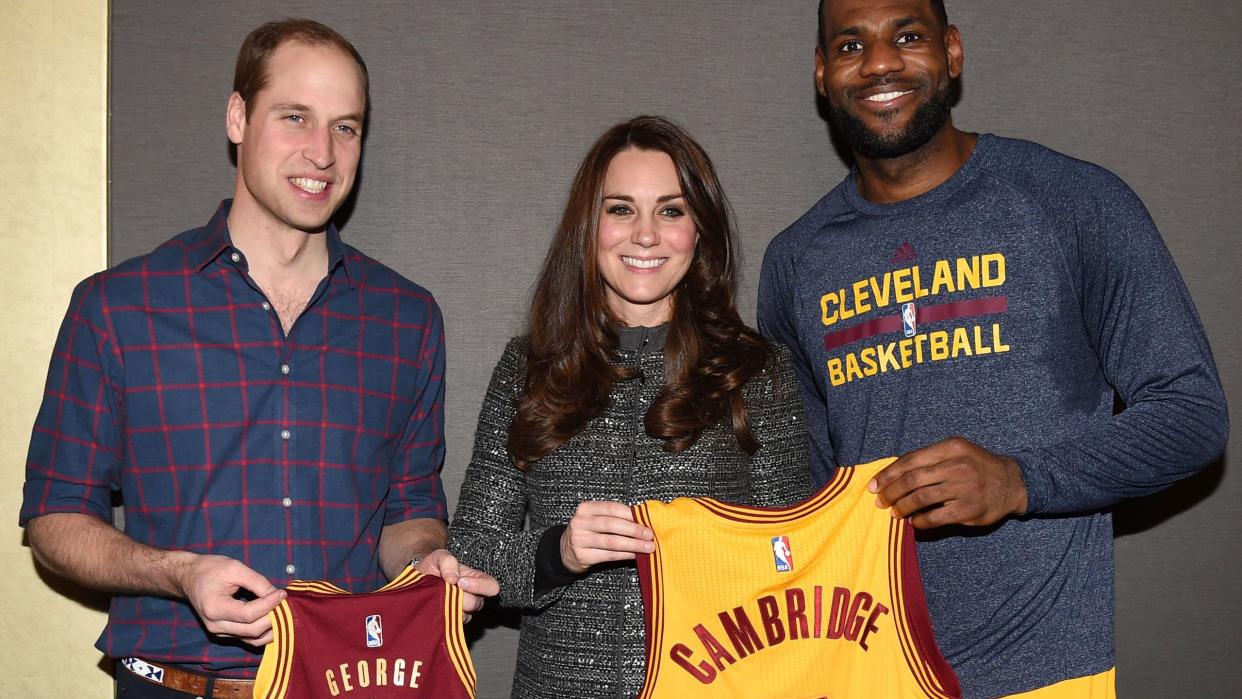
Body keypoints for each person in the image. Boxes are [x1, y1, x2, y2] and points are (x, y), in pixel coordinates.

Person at [757, 1, 1229, 697]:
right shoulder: (794, 261)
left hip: (1042, 672)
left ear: (952, 51)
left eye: (908, 36)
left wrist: (1018, 480)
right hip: (865, 667)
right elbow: (806, 488)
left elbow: (1192, 414)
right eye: (851, 44)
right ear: (823, 73)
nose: (881, 62)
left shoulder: (1072, 202)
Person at [19, 18, 496, 697]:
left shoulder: (406, 318)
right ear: (238, 117)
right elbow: (55, 519)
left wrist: (427, 563)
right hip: (175, 684)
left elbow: (409, 510)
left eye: (346, 127)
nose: (322, 153)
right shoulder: (117, 308)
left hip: (349, 682)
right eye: (295, 117)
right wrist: (179, 572)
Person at [447, 115, 813, 698]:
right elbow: (470, 551)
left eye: (671, 210)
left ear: (700, 229)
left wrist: (717, 550)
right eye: (620, 209)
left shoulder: (754, 370)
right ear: (588, 228)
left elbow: (796, 555)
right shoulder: (529, 366)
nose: (646, 234)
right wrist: (558, 551)